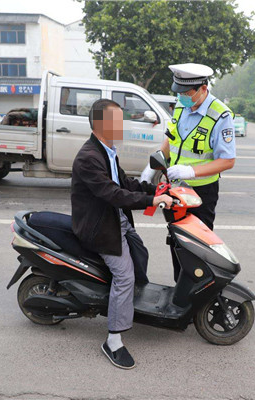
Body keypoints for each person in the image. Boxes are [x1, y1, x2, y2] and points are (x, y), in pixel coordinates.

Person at [70, 98, 173, 368]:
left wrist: (156, 190)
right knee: (125, 276)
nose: (122, 126)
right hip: (99, 226)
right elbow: (113, 194)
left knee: (140, 253)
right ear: (101, 124)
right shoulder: (89, 157)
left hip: (114, 218)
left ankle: (127, 305)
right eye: (117, 121)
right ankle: (113, 339)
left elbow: (123, 182)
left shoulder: (107, 149)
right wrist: (152, 202)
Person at [140, 63, 236, 279]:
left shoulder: (221, 115)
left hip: (201, 194)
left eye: (186, 92)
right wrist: (152, 165)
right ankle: (180, 291)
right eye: (179, 92)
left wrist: (190, 171)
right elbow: (171, 139)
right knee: (177, 241)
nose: (182, 96)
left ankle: (197, 299)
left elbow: (228, 160)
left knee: (198, 247)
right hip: (175, 190)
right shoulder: (182, 107)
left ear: (203, 88)